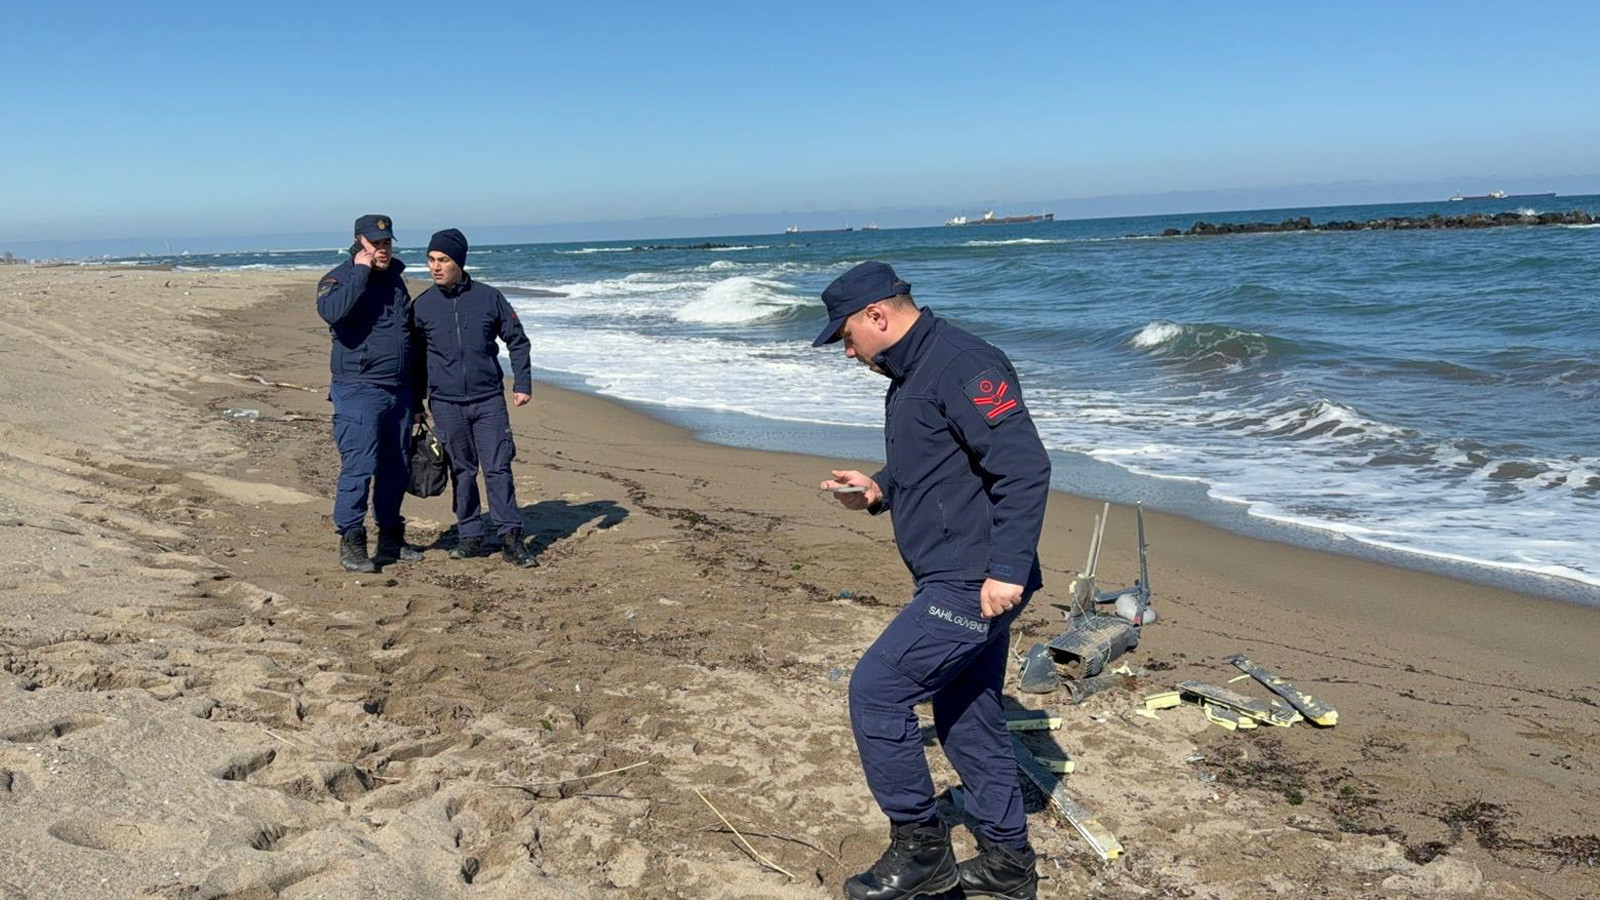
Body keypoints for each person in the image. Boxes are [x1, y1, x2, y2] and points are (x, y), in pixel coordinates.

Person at [815, 261, 1050, 900]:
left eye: (846, 336)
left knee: (877, 692)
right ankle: (1008, 864)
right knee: (966, 712)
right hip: (955, 574)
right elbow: (936, 463)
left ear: (877, 315)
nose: (847, 350)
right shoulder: (911, 373)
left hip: (973, 580)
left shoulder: (964, 364)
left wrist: (1006, 571)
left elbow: (1024, 468)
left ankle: (920, 849)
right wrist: (876, 488)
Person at [411, 228, 538, 568]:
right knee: (462, 472)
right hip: (445, 404)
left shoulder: (489, 298)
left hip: (488, 401)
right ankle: (469, 536)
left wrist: (522, 384)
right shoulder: (422, 306)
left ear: (459, 262)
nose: (435, 267)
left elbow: (518, 340)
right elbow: (414, 360)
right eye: (431, 260)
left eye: (443, 260)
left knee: (498, 469)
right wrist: (415, 403)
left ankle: (511, 538)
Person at [315, 215, 425, 573]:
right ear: (359, 242)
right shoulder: (338, 278)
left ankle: (391, 538)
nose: (383, 249)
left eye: (387, 242)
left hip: (398, 390)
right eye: (376, 243)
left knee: (396, 468)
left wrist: (416, 397)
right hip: (358, 388)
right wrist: (361, 272)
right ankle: (351, 540)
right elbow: (331, 312)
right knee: (359, 465)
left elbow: (407, 336)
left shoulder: (395, 280)